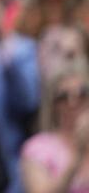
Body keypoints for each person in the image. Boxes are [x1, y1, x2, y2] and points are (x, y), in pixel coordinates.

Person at [20, 62, 89, 193]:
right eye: (64, 96)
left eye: (82, 93)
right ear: (53, 104)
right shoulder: (38, 146)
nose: (73, 102)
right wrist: (77, 158)